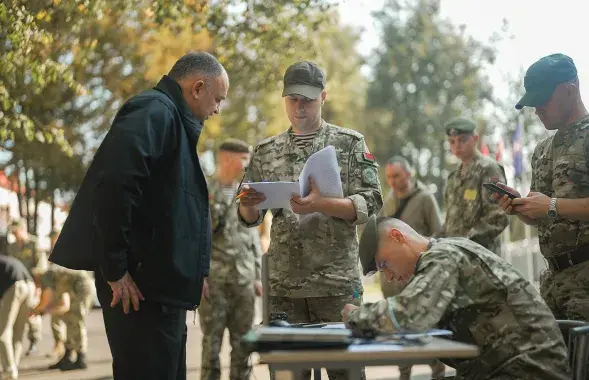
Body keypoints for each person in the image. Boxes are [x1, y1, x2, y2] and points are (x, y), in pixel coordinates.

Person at [48, 51, 229, 380]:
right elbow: (117, 184)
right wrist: (116, 268)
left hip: (159, 291)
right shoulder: (153, 110)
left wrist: (195, 273)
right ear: (198, 87)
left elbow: (171, 209)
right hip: (140, 292)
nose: (217, 110)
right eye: (218, 99)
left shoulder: (171, 120)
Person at [238, 61, 382, 380]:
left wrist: (324, 204)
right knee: (289, 375)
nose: (300, 106)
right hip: (285, 289)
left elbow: (372, 201)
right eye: (293, 99)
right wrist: (248, 205)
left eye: (308, 98)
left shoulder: (350, 144)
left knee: (346, 374)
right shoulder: (264, 151)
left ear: (323, 96)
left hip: (336, 286)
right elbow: (250, 217)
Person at [343, 215, 571, 380]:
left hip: (526, 369)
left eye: (385, 265)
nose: (390, 277)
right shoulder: (443, 253)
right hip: (503, 366)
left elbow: (409, 315)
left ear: (397, 236)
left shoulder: (443, 257)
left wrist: (357, 316)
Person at [494, 53, 589, 322]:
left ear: (570, 90)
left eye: (543, 100)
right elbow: (545, 217)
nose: (537, 110)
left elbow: (551, 207)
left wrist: (550, 205)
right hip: (553, 284)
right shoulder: (542, 150)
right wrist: (520, 209)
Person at [200, 139, 263, 380]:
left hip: (244, 282)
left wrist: (257, 275)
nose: (248, 164)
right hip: (214, 282)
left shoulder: (247, 192)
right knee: (211, 347)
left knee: (243, 347)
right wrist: (200, 277)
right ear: (227, 158)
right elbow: (196, 237)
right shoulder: (204, 190)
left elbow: (253, 237)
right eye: (244, 159)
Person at [378, 155, 444, 380]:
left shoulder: (425, 198)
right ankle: (404, 374)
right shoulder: (388, 201)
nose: (393, 181)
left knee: (427, 327)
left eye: (396, 176)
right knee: (399, 330)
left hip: (419, 276)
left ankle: (437, 372)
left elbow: (439, 233)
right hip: (394, 282)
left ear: (408, 173)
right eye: (389, 177)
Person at [439, 117, 509, 254]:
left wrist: (465, 242)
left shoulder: (489, 169)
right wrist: (438, 242)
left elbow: (498, 217)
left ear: (475, 139)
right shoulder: (453, 177)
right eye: (452, 142)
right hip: (455, 256)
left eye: (462, 140)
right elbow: (449, 222)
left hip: (481, 257)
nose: (457, 146)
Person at [31, 265, 94, 371]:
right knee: (69, 318)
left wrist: (36, 310)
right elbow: (62, 305)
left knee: (77, 321)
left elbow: (47, 299)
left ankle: (81, 357)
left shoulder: (46, 277)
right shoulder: (55, 278)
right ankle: (68, 355)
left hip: (81, 287)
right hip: (75, 287)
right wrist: (44, 310)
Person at [6, 219, 43, 356]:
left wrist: (39, 288)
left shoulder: (34, 244)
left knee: (32, 314)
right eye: (13, 232)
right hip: (16, 284)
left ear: (22, 229)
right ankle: (16, 342)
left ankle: (34, 340)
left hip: (32, 283)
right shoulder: (12, 247)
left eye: (16, 232)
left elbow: (40, 267)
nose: (14, 235)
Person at [0, 255, 37, 380]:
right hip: (29, 286)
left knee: (2, 333)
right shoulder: (5, 259)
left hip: (14, 286)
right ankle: (13, 367)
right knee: (18, 332)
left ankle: (9, 371)